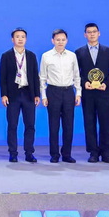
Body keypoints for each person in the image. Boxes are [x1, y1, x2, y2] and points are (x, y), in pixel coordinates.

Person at [75, 23, 109, 164]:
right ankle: (93, 152)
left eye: (94, 31)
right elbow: (76, 73)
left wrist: (106, 84)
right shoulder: (79, 52)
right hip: (88, 94)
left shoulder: (108, 51)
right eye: (89, 32)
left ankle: (106, 153)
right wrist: (84, 83)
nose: (92, 34)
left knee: (105, 123)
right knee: (89, 123)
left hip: (104, 93)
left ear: (99, 33)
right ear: (85, 35)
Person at [39, 28, 81, 164]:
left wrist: (78, 93)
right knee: (54, 125)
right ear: (53, 40)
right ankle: (54, 154)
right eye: (58, 40)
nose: (60, 42)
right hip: (53, 92)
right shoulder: (46, 56)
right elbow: (42, 77)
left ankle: (67, 154)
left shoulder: (72, 56)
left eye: (63, 40)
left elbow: (77, 75)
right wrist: (44, 96)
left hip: (69, 92)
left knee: (68, 125)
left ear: (66, 41)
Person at [0, 28, 40, 163]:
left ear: (26, 39)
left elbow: (35, 76)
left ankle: (29, 153)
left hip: (28, 93)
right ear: (13, 39)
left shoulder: (31, 56)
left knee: (30, 125)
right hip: (13, 95)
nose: (20, 39)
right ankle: (13, 153)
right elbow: (3, 77)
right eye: (17, 36)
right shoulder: (6, 56)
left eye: (23, 37)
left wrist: (37, 94)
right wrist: (4, 94)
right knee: (12, 125)